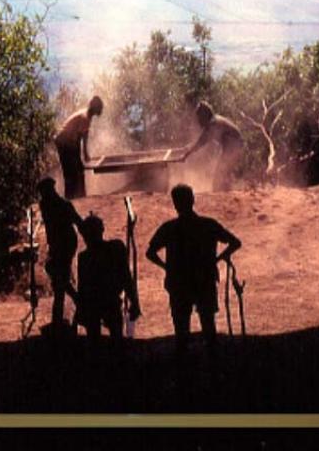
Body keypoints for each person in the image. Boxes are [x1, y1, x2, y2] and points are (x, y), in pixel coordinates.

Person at [146, 183, 241, 358]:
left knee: (181, 331)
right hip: (204, 280)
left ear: (175, 204)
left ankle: (185, 370)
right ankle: (213, 368)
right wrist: (219, 259)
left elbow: (150, 253)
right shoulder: (208, 225)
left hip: (179, 283)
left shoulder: (169, 228)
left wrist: (167, 267)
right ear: (193, 200)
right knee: (208, 326)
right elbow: (235, 242)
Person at [77, 213, 141, 342]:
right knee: (113, 338)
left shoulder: (86, 257)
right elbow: (126, 277)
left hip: (97, 304)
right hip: (107, 302)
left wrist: (81, 309)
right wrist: (134, 301)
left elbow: (83, 287)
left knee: (97, 340)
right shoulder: (115, 248)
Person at [37, 177, 83, 327]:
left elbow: (78, 222)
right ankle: (77, 301)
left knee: (59, 283)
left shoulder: (60, 205)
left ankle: (59, 319)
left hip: (65, 245)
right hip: (59, 246)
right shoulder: (49, 205)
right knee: (59, 280)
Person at [184, 102, 244, 192]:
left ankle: (224, 196)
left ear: (204, 115)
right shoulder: (214, 121)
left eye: (199, 116)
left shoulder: (214, 123)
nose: (198, 120)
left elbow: (202, 141)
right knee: (222, 174)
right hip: (234, 146)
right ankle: (226, 193)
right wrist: (189, 148)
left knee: (220, 176)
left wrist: (189, 151)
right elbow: (202, 139)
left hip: (234, 146)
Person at [54, 96, 104, 199]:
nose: (100, 110)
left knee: (78, 170)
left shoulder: (87, 117)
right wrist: (80, 157)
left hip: (67, 141)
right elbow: (76, 140)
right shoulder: (84, 117)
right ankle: (72, 199)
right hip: (64, 141)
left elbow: (84, 135)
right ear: (95, 107)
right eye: (99, 107)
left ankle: (80, 196)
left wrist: (84, 154)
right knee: (71, 173)